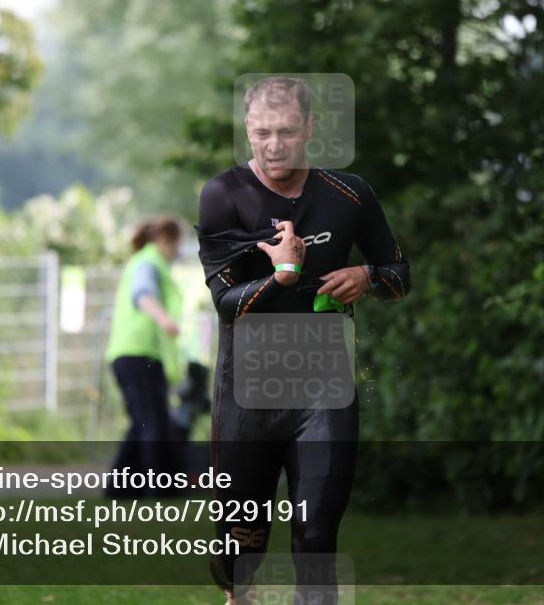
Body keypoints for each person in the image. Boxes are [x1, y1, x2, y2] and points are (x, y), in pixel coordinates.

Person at [196, 77, 410, 604]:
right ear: (247, 129)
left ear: (310, 129)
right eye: (262, 132)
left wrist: (367, 278)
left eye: (287, 132)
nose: (273, 145)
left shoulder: (349, 194)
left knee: (316, 538)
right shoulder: (223, 195)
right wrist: (281, 278)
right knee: (238, 554)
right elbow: (223, 299)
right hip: (246, 392)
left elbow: (400, 273)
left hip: (324, 391)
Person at [104, 216, 184, 498]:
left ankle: (119, 490)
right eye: (178, 244)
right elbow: (143, 294)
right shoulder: (149, 262)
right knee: (153, 422)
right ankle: (160, 491)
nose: (179, 251)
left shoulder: (146, 261)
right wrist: (166, 321)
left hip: (132, 354)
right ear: (166, 241)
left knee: (142, 422)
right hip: (138, 353)